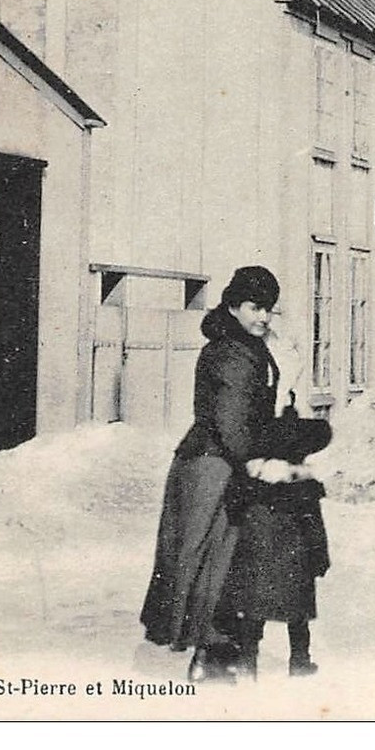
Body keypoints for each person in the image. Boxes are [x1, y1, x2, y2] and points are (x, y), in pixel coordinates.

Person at [140, 265, 282, 683]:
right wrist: (254, 463)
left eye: (269, 309)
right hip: (215, 467)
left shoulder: (238, 343)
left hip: (218, 461)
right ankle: (212, 656)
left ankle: (215, 653)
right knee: (216, 559)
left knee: (221, 559)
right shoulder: (232, 352)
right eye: (256, 307)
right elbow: (231, 419)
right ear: (234, 305)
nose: (264, 317)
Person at [216, 385, 332, 679]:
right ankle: (300, 661)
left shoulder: (251, 483)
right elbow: (313, 525)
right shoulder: (304, 487)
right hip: (295, 563)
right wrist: (320, 557)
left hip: (256, 559)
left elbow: (233, 513)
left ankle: (247, 662)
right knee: (298, 616)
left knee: (252, 613)